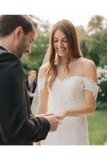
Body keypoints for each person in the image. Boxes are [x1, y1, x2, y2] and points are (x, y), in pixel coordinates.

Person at [0, 13, 62, 148]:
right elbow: (15, 132)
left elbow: (5, 117)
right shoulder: (8, 61)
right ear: (18, 32)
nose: (29, 49)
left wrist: (35, 119)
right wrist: (45, 124)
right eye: (30, 41)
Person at [35, 19, 99, 148]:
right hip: (51, 133)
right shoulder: (45, 70)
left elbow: (90, 107)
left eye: (64, 40)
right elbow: (41, 109)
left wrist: (67, 112)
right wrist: (37, 142)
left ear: (72, 40)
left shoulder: (87, 66)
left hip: (76, 132)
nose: (60, 45)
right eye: (55, 40)